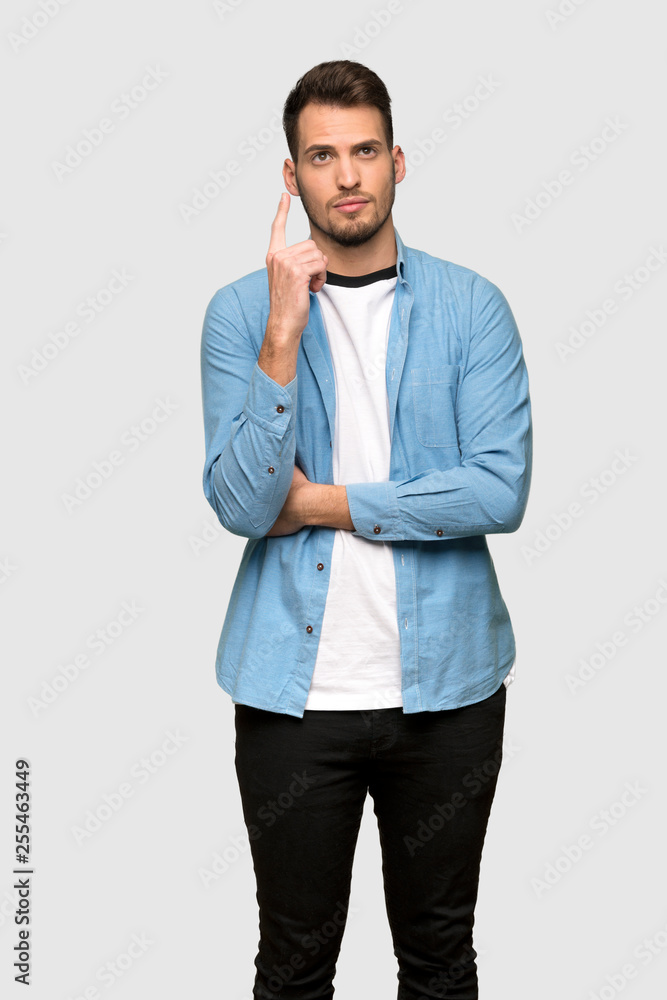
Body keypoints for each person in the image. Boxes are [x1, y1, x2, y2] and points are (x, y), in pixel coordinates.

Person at [200, 59, 532, 1000]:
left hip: (451, 695)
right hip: (289, 697)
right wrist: (280, 329)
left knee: (438, 958)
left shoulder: (472, 307)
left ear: (397, 161)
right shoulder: (238, 316)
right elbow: (238, 506)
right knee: (293, 962)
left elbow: (497, 491)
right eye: (320, 156)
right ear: (290, 176)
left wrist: (323, 503)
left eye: (364, 151)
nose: (346, 176)